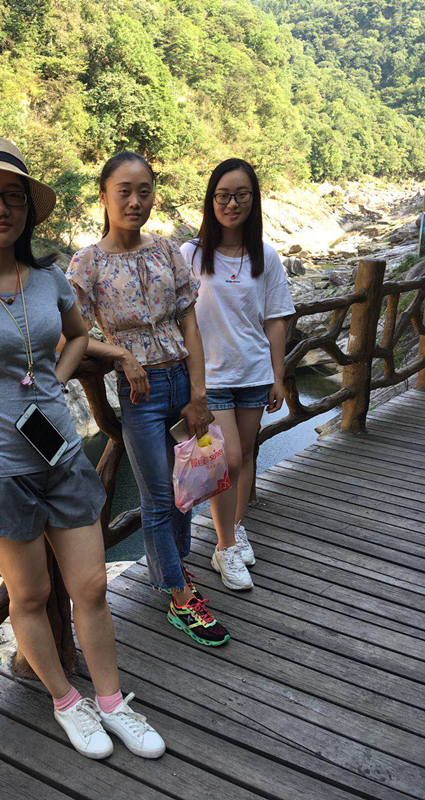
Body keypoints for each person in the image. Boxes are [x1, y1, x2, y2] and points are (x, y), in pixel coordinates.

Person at [0, 135, 165, 760]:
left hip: (61, 458)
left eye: (13, 197)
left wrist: (58, 376)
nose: (0, 207)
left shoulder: (49, 276)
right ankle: (66, 701)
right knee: (29, 596)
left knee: (92, 587)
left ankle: (113, 701)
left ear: (28, 209)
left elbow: (77, 334)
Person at [66, 151, 230, 647]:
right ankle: (179, 598)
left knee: (188, 489)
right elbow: (70, 335)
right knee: (158, 498)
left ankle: (176, 570)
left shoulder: (166, 250)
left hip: (182, 380)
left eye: (144, 191)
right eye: (124, 191)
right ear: (104, 196)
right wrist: (118, 352)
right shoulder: (88, 262)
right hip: (141, 392)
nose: (135, 201)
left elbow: (189, 323)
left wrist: (198, 393)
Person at [180, 158, 295, 589]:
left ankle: (236, 527)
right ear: (211, 200)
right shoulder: (191, 254)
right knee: (224, 461)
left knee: (246, 455)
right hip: (209, 378)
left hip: (254, 372)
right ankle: (224, 547)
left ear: (253, 199)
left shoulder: (265, 255)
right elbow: (177, 314)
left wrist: (277, 376)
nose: (232, 204)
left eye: (241, 195)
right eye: (224, 195)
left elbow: (276, 320)